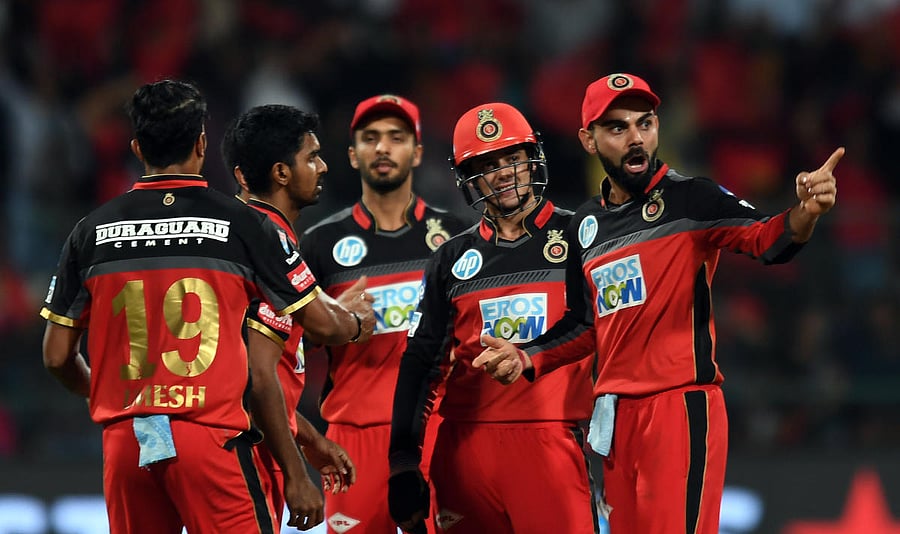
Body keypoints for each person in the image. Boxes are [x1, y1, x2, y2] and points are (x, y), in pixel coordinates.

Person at [472, 73, 842, 533]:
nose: (636, 139)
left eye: (645, 124)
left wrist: (805, 212)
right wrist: (527, 355)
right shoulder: (585, 225)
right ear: (589, 139)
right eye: (618, 127)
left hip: (679, 407)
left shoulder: (692, 199)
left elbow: (769, 241)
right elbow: (586, 324)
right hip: (615, 421)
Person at [39, 80, 375, 534]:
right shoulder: (242, 223)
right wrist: (355, 323)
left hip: (127, 442)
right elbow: (315, 322)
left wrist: (105, 394)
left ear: (137, 147)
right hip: (209, 437)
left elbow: (57, 356)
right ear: (201, 143)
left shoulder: (90, 231)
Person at [388, 102, 598, 534]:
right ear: (468, 178)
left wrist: (528, 356)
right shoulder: (449, 258)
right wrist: (404, 463)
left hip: (552, 440)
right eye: (488, 165)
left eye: (513, 159)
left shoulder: (582, 235)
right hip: (465, 450)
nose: (504, 173)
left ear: (531, 160)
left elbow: (597, 327)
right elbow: (421, 363)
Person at [298, 94, 469, 534]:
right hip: (353, 439)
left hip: (437, 429)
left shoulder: (456, 238)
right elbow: (292, 345)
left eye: (396, 137)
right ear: (352, 155)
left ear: (417, 151)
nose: (382, 148)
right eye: (370, 138)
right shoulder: (319, 245)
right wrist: (335, 320)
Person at [221, 104, 360, 529]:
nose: (323, 166)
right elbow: (257, 376)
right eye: (312, 157)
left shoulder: (237, 232)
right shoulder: (266, 243)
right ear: (282, 173)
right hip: (247, 448)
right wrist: (298, 475)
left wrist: (311, 439)